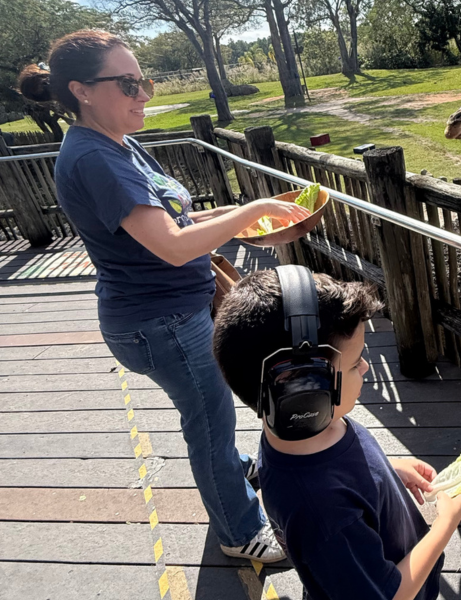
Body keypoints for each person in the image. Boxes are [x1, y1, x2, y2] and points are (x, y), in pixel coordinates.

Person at [17, 30, 308, 562]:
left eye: (143, 80)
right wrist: (251, 207)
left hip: (176, 312)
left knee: (211, 415)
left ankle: (231, 468)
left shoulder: (120, 143)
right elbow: (173, 248)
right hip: (160, 323)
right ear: (81, 90)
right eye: (128, 84)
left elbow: (177, 219)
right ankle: (240, 532)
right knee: (209, 426)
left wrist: (254, 224)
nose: (143, 94)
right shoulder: (94, 159)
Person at [212, 267, 461, 600]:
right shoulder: (321, 511)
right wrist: (444, 525)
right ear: (301, 391)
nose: (364, 367)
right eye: (354, 363)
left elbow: (339, 471)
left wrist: (385, 470)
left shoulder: (303, 427)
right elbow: (390, 594)